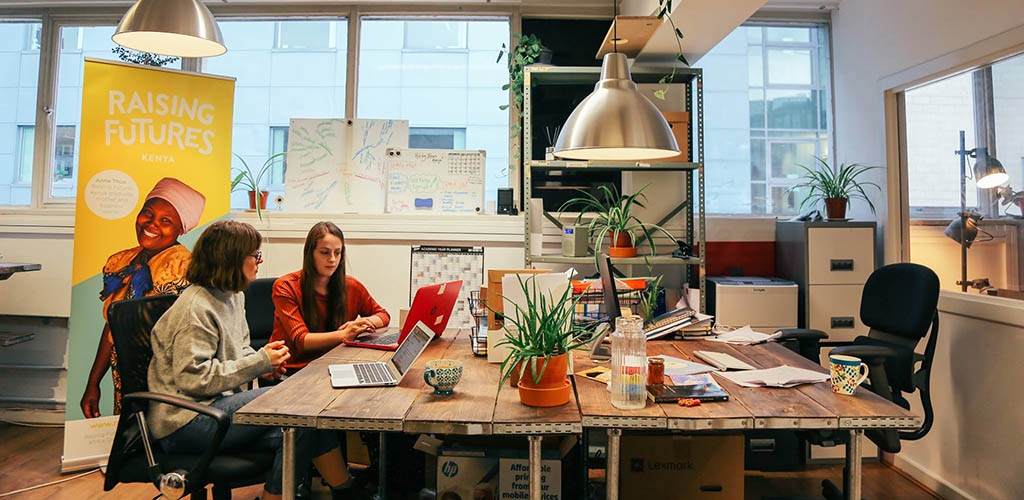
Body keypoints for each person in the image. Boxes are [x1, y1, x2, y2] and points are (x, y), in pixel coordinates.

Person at [148, 220, 360, 500]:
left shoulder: (233, 295)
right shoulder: (195, 309)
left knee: (306, 426)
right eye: (255, 256)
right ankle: (342, 490)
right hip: (186, 421)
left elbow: (241, 350)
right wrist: (258, 363)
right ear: (232, 258)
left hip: (215, 408)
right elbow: (194, 380)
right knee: (298, 403)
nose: (259, 262)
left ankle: (345, 492)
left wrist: (267, 366)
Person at [81, 177, 206, 418]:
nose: (151, 224)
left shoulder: (183, 268)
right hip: (125, 377)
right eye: (147, 213)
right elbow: (112, 326)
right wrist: (93, 383)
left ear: (181, 230)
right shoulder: (122, 262)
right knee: (131, 443)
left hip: (165, 382)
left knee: (158, 445)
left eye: (166, 220)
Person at [269, 221, 390, 371]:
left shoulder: (351, 285)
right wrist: (345, 334)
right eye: (325, 252)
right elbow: (302, 340)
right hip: (292, 370)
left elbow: (383, 315)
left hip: (334, 365)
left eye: (337, 253)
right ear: (310, 254)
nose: (332, 259)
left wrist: (364, 323)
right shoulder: (285, 286)